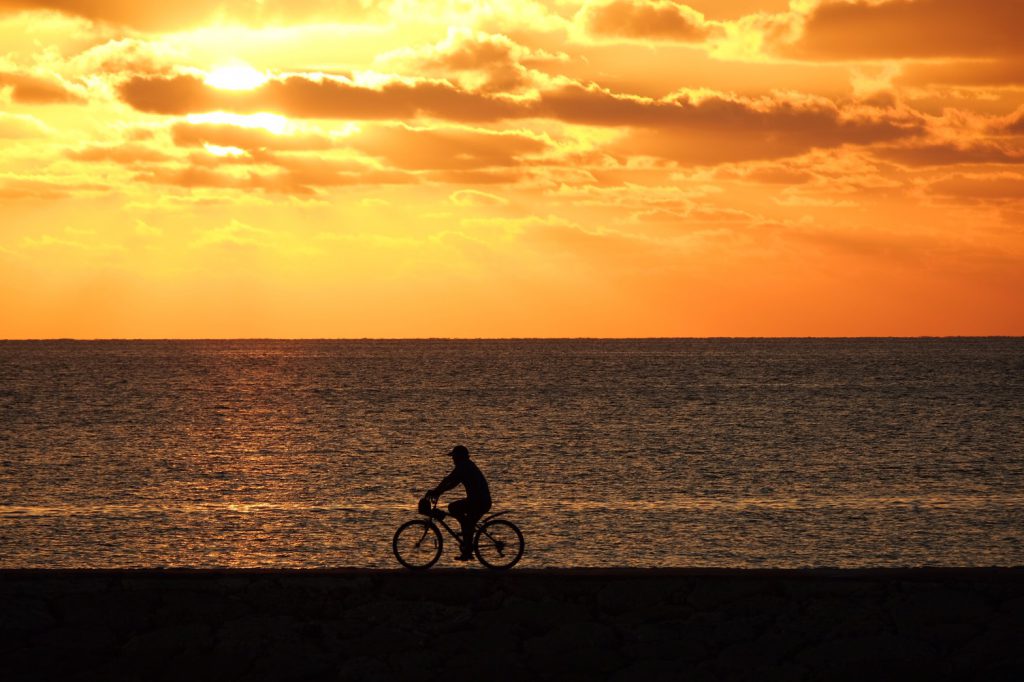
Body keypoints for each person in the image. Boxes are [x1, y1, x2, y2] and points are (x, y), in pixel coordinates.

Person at [427, 445, 492, 561]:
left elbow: (449, 480)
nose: (453, 460)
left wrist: (436, 491)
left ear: (459, 457)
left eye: (454, 457)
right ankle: (467, 547)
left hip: (480, 502)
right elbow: (452, 483)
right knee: (465, 520)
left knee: (454, 508)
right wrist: (439, 491)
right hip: (479, 501)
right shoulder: (465, 466)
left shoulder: (463, 466)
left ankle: (467, 545)